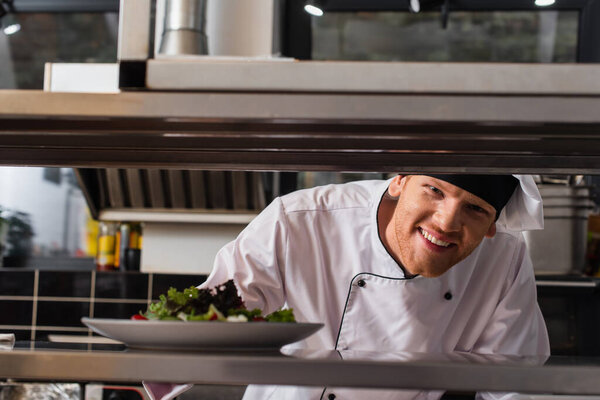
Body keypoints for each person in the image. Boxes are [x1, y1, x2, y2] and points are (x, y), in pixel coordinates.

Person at [144, 174, 549, 400]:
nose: (445, 222)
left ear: (493, 226)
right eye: (434, 191)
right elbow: (221, 310)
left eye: (475, 209)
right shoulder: (301, 219)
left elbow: (513, 381)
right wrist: (167, 362)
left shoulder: (504, 262)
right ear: (399, 181)